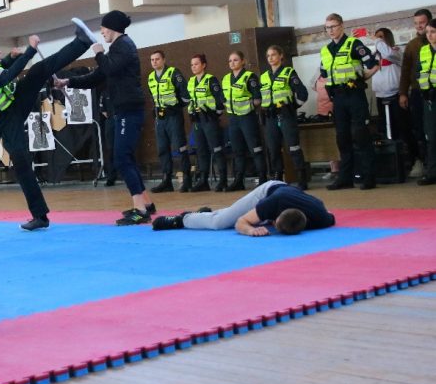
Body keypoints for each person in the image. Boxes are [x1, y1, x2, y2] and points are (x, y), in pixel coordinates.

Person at [0, 23, 92, 231]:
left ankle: (81, 42)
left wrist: (10, 57)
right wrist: (30, 51)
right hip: (7, 122)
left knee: (39, 71)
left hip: (14, 104)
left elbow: (2, 69)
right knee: (22, 166)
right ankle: (40, 216)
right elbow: (6, 77)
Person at [56, 11, 157, 226]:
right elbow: (98, 76)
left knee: (121, 158)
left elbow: (107, 67)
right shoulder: (117, 49)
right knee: (125, 157)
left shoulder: (124, 46)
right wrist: (68, 82)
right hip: (124, 109)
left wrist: (99, 53)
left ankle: (140, 209)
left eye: (103, 28)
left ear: (113, 28)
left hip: (128, 110)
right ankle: (146, 204)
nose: (101, 32)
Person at [321, 13, 379, 190]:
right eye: (327, 27)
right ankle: (346, 177)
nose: (330, 30)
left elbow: (373, 64)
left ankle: (368, 176)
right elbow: (324, 75)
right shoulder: (325, 50)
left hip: (354, 95)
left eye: (333, 26)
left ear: (341, 26)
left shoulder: (354, 44)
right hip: (338, 98)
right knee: (343, 138)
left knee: (361, 136)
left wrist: (362, 78)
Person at [152, 180, 335, 236]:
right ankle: (183, 219)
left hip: (291, 195)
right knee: (221, 223)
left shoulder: (320, 217)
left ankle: (203, 216)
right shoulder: (271, 203)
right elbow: (242, 221)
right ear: (276, 216)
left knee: (231, 216)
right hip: (269, 190)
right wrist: (249, 230)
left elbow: (331, 216)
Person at [260, 45, 309, 188]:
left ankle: (301, 177)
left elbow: (302, 94)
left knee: (293, 147)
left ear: (281, 56)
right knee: (273, 149)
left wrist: (292, 107)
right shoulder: (264, 76)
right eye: (268, 56)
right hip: (270, 118)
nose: (271, 58)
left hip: (286, 116)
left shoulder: (288, 72)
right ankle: (277, 178)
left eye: (273, 55)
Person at [147, 50, 192, 193]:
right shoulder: (151, 77)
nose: (154, 62)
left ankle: (187, 179)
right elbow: (153, 97)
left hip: (173, 116)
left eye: (157, 59)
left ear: (164, 60)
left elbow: (185, 96)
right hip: (160, 118)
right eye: (152, 60)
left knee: (181, 148)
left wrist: (176, 108)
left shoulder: (173, 73)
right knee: (162, 149)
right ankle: (167, 180)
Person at [222, 50, 267, 191]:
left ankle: (263, 179)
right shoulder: (226, 79)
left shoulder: (249, 77)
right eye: (230, 60)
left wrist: (247, 107)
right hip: (233, 119)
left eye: (235, 60)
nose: (232, 63)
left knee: (255, 149)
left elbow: (258, 99)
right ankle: (238, 180)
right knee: (237, 151)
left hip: (247, 118)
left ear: (242, 61)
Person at [187, 53, 228, 192]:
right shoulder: (191, 81)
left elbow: (220, 101)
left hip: (210, 120)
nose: (193, 67)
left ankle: (223, 180)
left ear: (204, 65)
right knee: (201, 151)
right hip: (197, 121)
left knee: (216, 149)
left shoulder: (211, 80)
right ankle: (203, 180)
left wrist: (214, 114)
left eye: (196, 64)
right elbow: (191, 100)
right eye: (192, 64)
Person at [399, 9, 432, 178]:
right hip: (418, 94)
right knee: (420, 130)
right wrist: (403, 93)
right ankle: (426, 164)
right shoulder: (412, 46)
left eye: (422, 22)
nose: (419, 26)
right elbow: (405, 71)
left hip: (433, 93)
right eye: (416, 23)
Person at [416, 18, 436, 185]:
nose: (429, 35)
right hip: (429, 98)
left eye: (433, 32)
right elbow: (419, 73)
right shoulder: (423, 51)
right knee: (431, 137)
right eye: (428, 32)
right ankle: (432, 173)